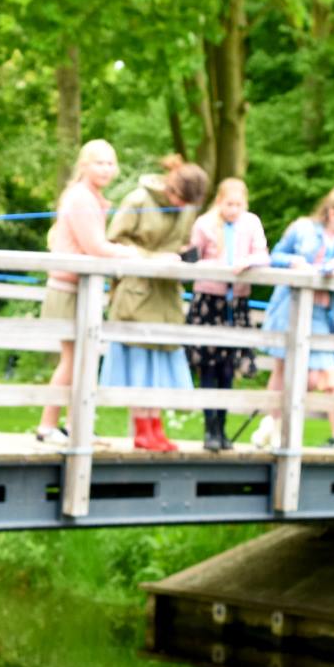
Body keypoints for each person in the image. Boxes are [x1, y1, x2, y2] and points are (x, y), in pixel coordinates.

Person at [35, 139, 142, 445]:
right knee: (72, 359)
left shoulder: (91, 197)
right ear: (84, 165)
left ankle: (76, 426)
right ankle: (47, 426)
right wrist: (131, 253)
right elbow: (95, 247)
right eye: (100, 163)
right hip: (68, 289)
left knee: (84, 358)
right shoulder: (81, 197)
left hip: (82, 289)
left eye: (110, 163)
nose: (106, 169)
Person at [100, 155, 209, 451]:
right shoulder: (138, 200)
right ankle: (142, 430)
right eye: (180, 200)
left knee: (160, 364)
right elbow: (114, 242)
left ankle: (156, 428)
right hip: (137, 293)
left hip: (167, 295)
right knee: (139, 364)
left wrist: (186, 255)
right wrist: (152, 258)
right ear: (171, 188)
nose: (183, 207)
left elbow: (182, 241)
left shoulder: (186, 209)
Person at [252, 186, 334, 451]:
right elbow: (275, 256)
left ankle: (274, 424)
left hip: (326, 312)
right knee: (282, 369)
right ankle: (274, 428)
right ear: (332, 213)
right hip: (290, 307)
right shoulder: (302, 228)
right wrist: (294, 262)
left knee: (316, 376)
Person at [186, 179, 270, 452]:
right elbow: (192, 258)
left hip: (237, 302)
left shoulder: (251, 223)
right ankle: (209, 428)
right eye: (228, 204)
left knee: (228, 367)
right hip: (209, 300)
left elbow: (263, 255)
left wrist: (247, 262)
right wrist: (218, 266)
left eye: (238, 204)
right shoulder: (204, 224)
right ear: (219, 201)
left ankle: (222, 428)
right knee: (208, 366)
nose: (233, 210)